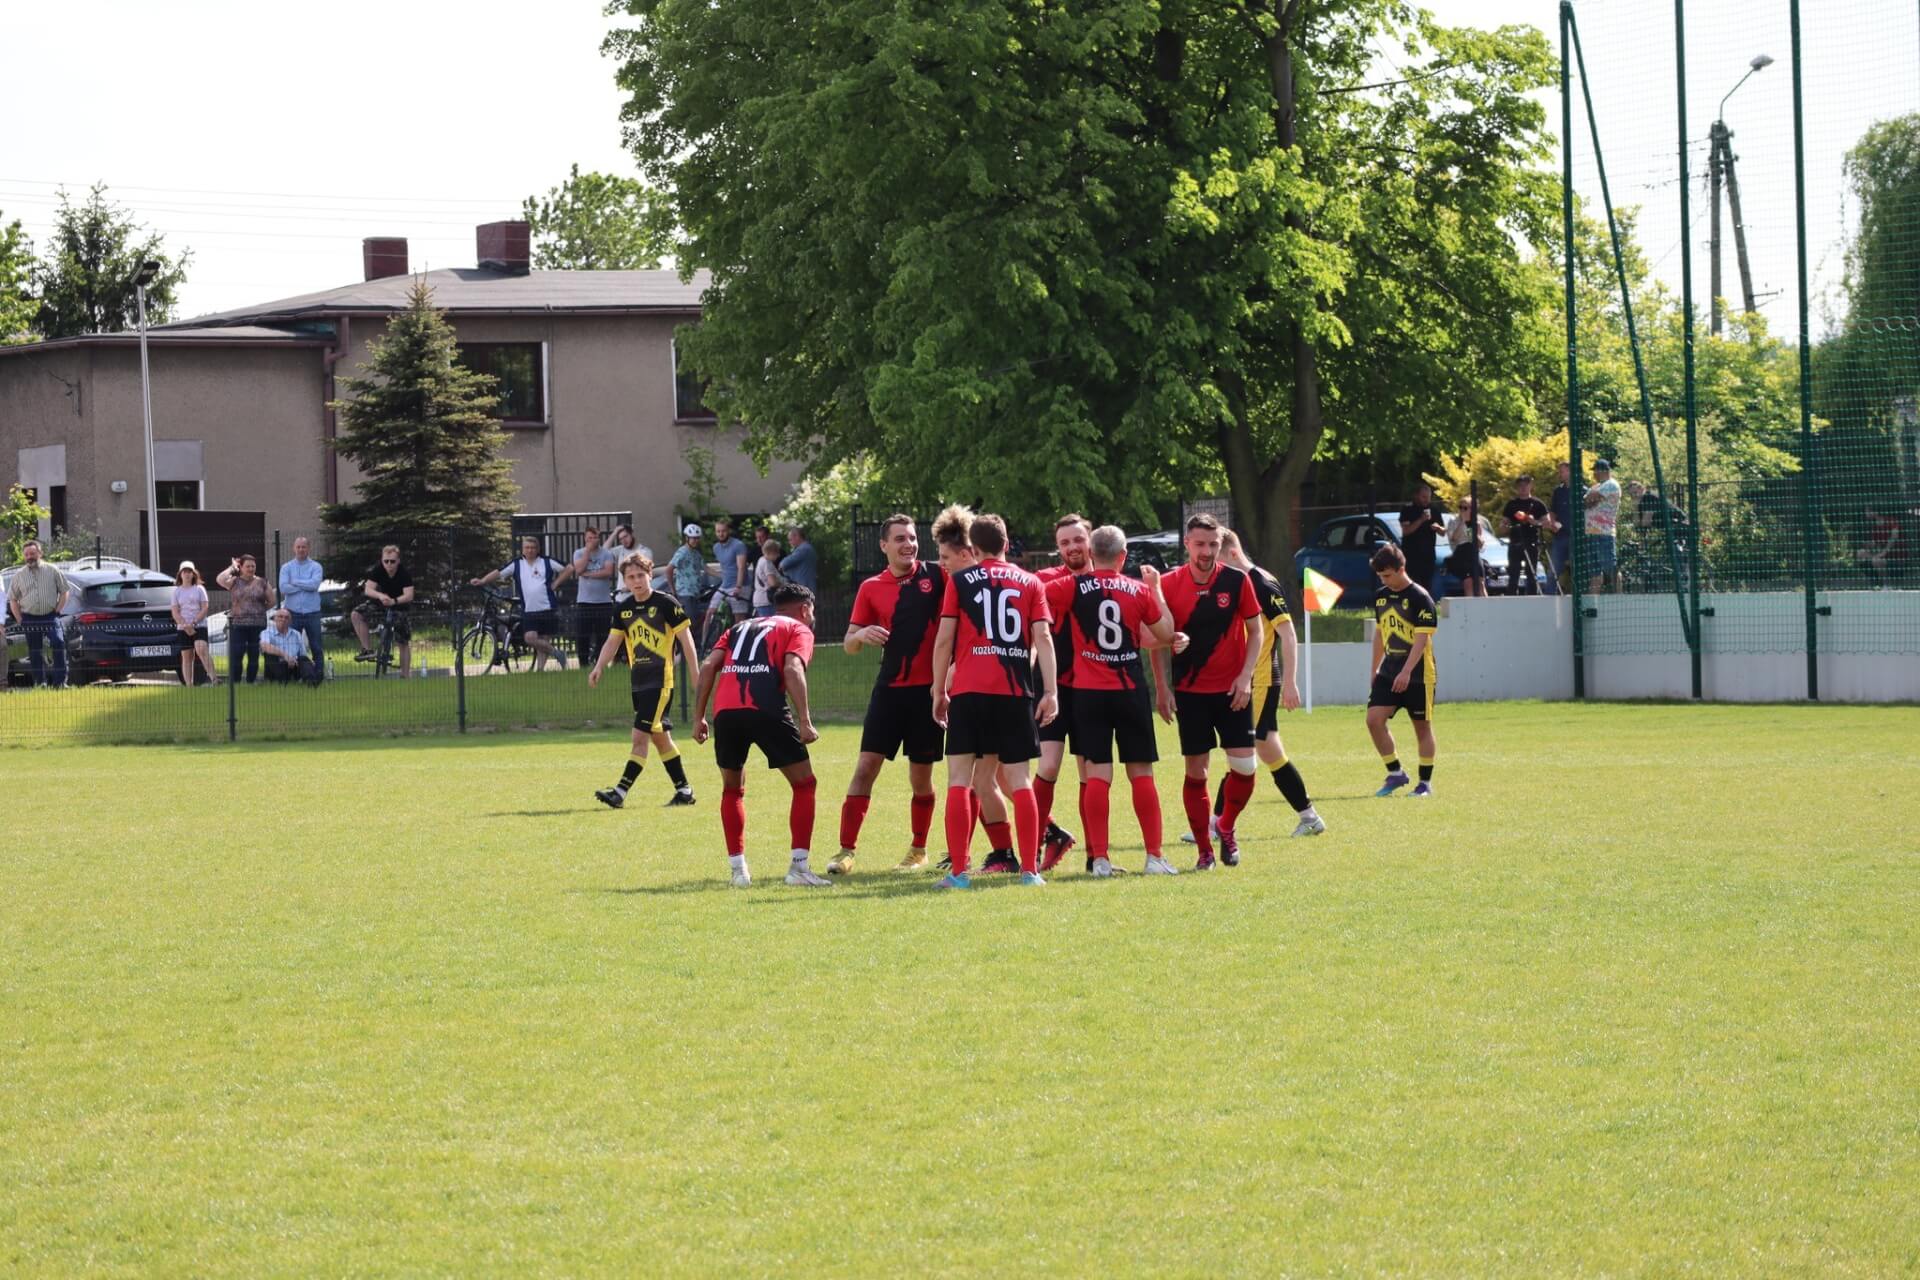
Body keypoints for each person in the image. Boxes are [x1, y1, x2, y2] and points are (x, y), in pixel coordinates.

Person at [929, 510, 1058, 888]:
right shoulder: (1031, 582)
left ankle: (957, 874)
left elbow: (943, 639)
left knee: (958, 779)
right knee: (1020, 780)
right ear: (1006, 544)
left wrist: (939, 690)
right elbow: (1044, 639)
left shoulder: (961, 580)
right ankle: (1031, 872)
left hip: (969, 690)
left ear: (973, 547)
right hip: (1016, 692)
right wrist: (1049, 691)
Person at [1050, 524, 1181, 875]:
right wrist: (1156, 589)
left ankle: (1101, 860)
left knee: (1097, 775)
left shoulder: (1072, 585)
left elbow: (1034, 596)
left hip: (1088, 694)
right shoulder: (1137, 590)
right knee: (1141, 773)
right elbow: (1166, 634)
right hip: (1129, 692)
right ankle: (1154, 857)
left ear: (1091, 554)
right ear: (1123, 556)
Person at [831, 513, 947, 875]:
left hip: (928, 693)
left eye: (912, 538)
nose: (908, 544)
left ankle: (918, 849)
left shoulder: (936, 576)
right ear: (883, 546)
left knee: (920, 778)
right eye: (899, 538)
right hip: (889, 691)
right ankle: (845, 851)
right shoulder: (871, 588)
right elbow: (849, 644)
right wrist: (861, 636)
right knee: (865, 768)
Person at [691, 583, 828, 887]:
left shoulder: (739, 627)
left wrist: (699, 717)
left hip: (726, 711)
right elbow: (792, 670)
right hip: (765, 707)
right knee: (805, 784)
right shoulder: (798, 628)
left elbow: (709, 664)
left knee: (732, 789)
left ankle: (738, 871)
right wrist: (805, 720)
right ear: (804, 609)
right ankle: (799, 868)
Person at [1148, 513, 1264, 870]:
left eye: (1213, 544)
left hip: (1233, 690)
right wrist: (1163, 688)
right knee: (1196, 772)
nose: (1207, 551)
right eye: (1200, 544)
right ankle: (1204, 851)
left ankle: (1225, 826)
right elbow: (1155, 640)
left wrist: (1245, 676)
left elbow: (1256, 631)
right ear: (1187, 544)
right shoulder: (1168, 584)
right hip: (1190, 692)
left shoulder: (1236, 580)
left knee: (1245, 768)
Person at [1213, 530, 1325, 838]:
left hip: (1262, 682)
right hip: (1247, 682)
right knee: (1268, 753)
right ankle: (1309, 817)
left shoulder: (1261, 583)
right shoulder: (1235, 584)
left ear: (1233, 554)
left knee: (1244, 750)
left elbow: (1288, 633)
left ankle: (1217, 823)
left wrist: (1290, 682)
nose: (1216, 568)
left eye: (1218, 559)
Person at [589, 552, 701, 809]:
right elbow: (613, 641)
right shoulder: (624, 609)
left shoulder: (666, 603)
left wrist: (696, 674)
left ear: (650, 575)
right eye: (631, 577)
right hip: (638, 682)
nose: (637, 581)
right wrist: (599, 666)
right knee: (660, 739)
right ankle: (684, 791)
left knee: (639, 736)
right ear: (625, 581)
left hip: (660, 682)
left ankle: (619, 792)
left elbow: (687, 640)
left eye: (641, 575)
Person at [1031, 514, 1091, 872]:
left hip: (1091, 689)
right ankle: (1033, 852)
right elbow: (1034, 630)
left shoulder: (1107, 582)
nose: (1072, 547)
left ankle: (1095, 856)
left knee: (1089, 773)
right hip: (1050, 689)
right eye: (1065, 542)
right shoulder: (1044, 581)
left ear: (1090, 540)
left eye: (1077, 540)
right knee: (1048, 765)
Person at [1365, 543, 1438, 798]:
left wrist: (1406, 672)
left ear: (1401, 569)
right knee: (1374, 720)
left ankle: (1425, 784)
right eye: (1381, 577)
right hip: (1389, 670)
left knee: (1422, 728)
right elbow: (1380, 632)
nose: (1385, 581)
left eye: (1388, 575)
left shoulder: (1420, 598)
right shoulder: (1381, 596)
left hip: (1418, 673)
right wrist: (1374, 669)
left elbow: (1422, 639)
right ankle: (1395, 773)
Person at [470, 536, 576, 672]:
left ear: (538, 549)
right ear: (523, 549)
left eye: (533, 548)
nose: (530, 550)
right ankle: (557, 653)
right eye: (527, 548)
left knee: (543, 640)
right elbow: (498, 573)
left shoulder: (547, 561)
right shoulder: (516, 564)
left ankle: (540, 671)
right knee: (530, 638)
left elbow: (569, 569)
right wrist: (483, 581)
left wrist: (556, 583)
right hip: (529, 609)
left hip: (547, 607)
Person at [5, 539, 69, 688]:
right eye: (26, 554)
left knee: (58, 642)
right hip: (29, 617)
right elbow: (13, 599)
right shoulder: (19, 575)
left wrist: (58, 609)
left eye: (32, 553)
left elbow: (65, 591)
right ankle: (40, 683)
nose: (29, 557)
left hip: (50, 616)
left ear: (40, 553)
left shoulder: (53, 570)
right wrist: (20, 619)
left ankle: (60, 683)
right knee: (35, 650)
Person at [351, 544, 415, 677]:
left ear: (398, 561)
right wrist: (380, 596)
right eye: (386, 561)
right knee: (356, 614)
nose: (389, 565)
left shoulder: (404, 573)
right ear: (382, 560)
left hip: (399, 607)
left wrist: (394, 601)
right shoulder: (379, 569)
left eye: (392, 561)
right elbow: (368, 589)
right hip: (381, 604)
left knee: (403, 642)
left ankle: (405, 675)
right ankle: (368, 650)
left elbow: (409, 595)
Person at [216, 554, 275, 683]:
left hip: (258, 624)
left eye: (253, 566)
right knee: (237, 654)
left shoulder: (263, 582)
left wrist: (258, 610)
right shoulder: (234, 582)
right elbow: (220, 579)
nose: (250, 569)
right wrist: (232, 567)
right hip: (238, 625)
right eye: (247, 566)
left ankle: (250, 681)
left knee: (254, 655)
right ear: (241, 567)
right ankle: (235, 682)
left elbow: (271, 601)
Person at [571, 526, 619, 666]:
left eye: (595, 537)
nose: (592, 540)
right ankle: (583, 663)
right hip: (584, 601)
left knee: (602, 635)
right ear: (585, 539)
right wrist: (588, 551)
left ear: (599, 538)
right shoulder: (579, 553)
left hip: (603, 602)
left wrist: (589, 575)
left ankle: (599, 662)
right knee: (583, 635)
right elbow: (579, 569)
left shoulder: (606, 554)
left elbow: (608, 572)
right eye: (589, 538)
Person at [278, 536, 327, 673]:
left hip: (312, 613)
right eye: (298, 547)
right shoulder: (286, 567)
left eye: (303, 547)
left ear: (308, 549)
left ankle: (318, 674)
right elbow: (283, 588)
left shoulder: (316, 566)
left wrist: (295, 582)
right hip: (292, 614)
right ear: (294, 548)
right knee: (292, 646)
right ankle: (296, 674)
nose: (301, 549)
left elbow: (314, 585)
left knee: (316, 645)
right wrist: (305, 584)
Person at [171, 561, 218, 686]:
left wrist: (194, 622)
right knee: (187, 656)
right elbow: (175, 612)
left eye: (189, 572)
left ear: (193, 574)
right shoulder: (176, 591)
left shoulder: (199, 589)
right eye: (184, 572)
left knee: (201, 648)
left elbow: (205, 607)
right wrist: (184, 624)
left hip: (199, 625)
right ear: (180, 574)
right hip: (183, 628)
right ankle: (189, 685)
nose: (187, 574)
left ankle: (214, 679)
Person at [705, 518, 751, 644]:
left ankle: (739, 646)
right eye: (718, 531)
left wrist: (739, 586)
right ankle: (704, 645)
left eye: (723, 531)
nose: (721, 534)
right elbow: (725, 567)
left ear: (728, 531)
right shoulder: (716, 548)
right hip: (725, 585)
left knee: (739, 619)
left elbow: (741, 567)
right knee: (710, 612)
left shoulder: (738, 545)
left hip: (739, 585)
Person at [1502, 476, 1549, 596]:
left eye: (1525, 485)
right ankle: (1512, 597)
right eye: (1520, 485)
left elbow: (1547, 523)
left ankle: (1532, 597)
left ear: (1531, 486)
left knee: (1531, 572)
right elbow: (1504, 523)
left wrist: (1533, 521)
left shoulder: (1537, 504)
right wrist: (1504, 525)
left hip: (1531, 542)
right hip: (1515, 542)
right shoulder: (1512, 504)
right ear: (1517, 487)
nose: (1523, 488)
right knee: (1514, 572)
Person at [1398, 483, 1444, 596]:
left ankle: (1426, 608)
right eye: (1423, 497)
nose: (1426, 500)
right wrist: (1421, 520)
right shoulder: (1407, 509)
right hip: (1411, 555)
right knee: (1412, 585)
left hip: (1428, 555)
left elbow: (1443, 532)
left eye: (1428, 497)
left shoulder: (1434, 510)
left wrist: (1438, 528)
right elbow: (1406, 531)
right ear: (1416, 496)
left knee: (1427, 586)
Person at [1584, 459, 1622, 593]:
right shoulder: (1597, 486)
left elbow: (1588, 500)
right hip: (1592, 533)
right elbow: (1587, 501)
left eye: (1595, 470)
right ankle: (1592, 602)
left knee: (1610, 568)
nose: (1594, 474)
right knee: (1595, 572)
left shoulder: (1611, 485)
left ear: (1603, 471)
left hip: (1604, 533)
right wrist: (1590, 498)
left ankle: (1619, 598)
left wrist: (1590, 498)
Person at [260, 607, 321, 685]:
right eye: (280, 616)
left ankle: (311, 682)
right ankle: (279, 681)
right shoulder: (266, 632)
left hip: (294, 665)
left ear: (290, 621)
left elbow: (302, 654)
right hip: (277, 666)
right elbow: (265, 646)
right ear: (274, 619)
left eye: (286, 617)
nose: (283, 619)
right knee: (269, 654)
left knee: (304, 659)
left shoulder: (296, 634)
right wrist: (285, 656)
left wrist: (305, 661)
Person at [1447, 497, 1488, 598]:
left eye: (1465, 508)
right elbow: (1453, 538)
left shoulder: (1476, 523)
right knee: (1468, 582)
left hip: (1473, 553)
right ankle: (1470, 610)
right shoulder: (1454, 521)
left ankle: (1487, 609)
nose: (1462, 510)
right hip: (1461, 553)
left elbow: (1480, 544)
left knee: (1480, 583)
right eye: (1460, 507)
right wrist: (1463, 522)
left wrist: (1475, 534)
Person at [1547, 461, 1574, 593]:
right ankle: (1549, 600)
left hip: (1576, 538)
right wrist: (1552, 523)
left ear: (1570, 471)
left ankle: (1578, 597)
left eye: (1562, 471)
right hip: (1560, 537)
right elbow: (1553, 511)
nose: (1560, 474)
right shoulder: (1558, 491)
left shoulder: (1583, 491)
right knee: (1553, 571)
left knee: (1577, 571)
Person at [669, 523, 709, 610]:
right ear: (687, 538)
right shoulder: (682, 552)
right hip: (685, 594)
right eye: (693, 538)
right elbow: (669, 569)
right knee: (690, 621)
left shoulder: (696, 554)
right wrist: (673, 590)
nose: (696, 540)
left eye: (697, 538)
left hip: (696, 593)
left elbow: (705, 568)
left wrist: (722, 575)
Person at [779, 525, 819, 592]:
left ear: (797, 536)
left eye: (790, 539)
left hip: (803, 589)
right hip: (807, 587)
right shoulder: (808, 548)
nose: (789, 542)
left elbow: (783, 564)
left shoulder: (803, 549)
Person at [750, 536, 783, 617]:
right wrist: (783, 584)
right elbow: (772, 583)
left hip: (759, 599)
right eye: (777, 552)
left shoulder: (761, 560)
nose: (778, 555)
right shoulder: (767, 564)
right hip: (766, 601)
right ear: (770, 552)